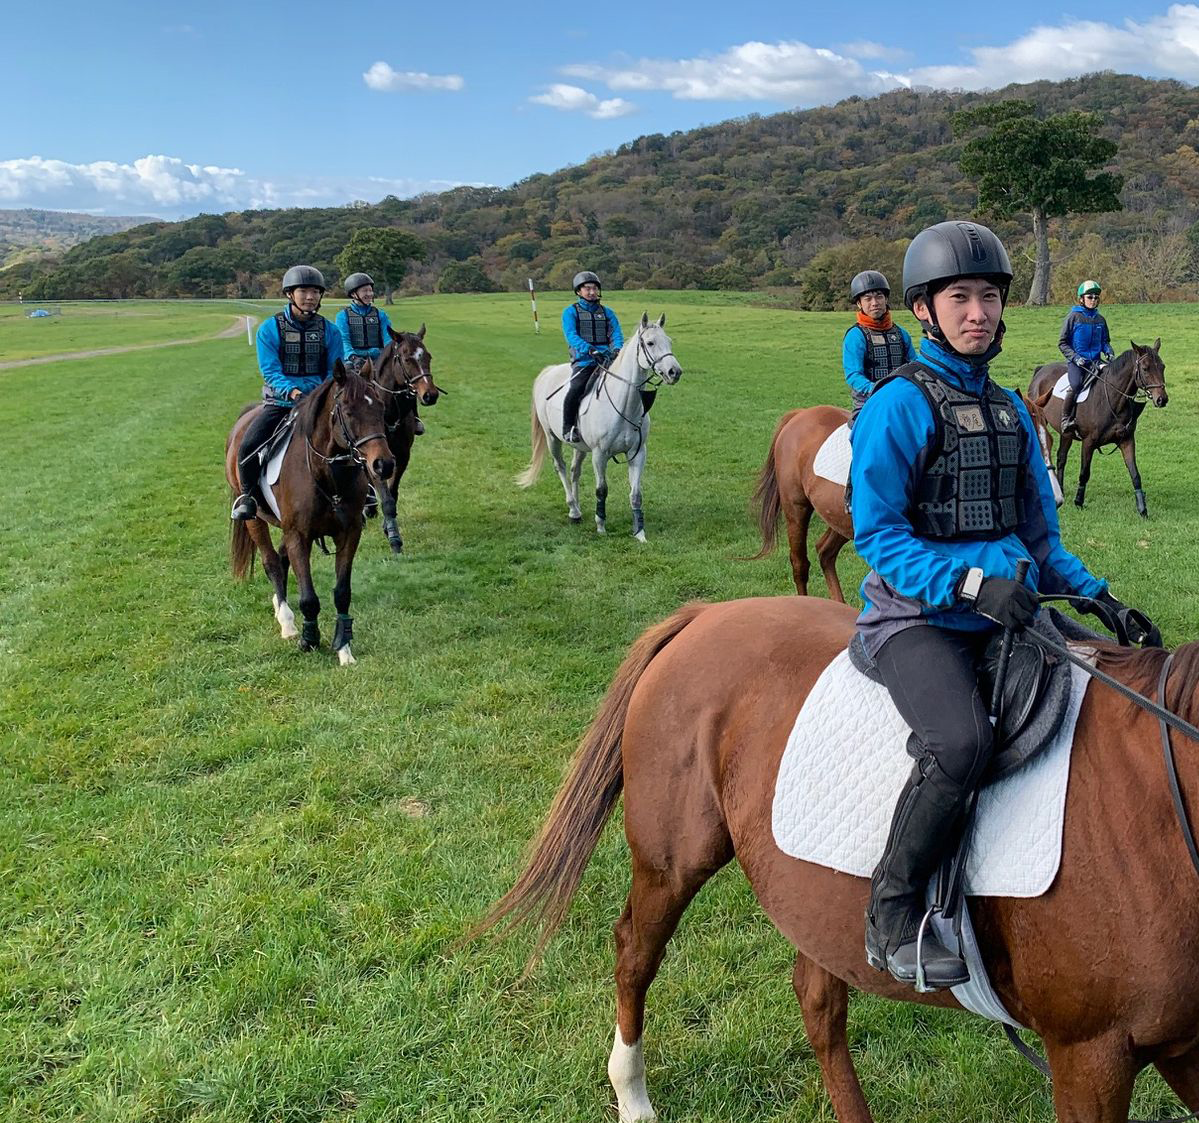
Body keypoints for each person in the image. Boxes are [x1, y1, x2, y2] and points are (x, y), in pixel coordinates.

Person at [849, 221, 1159, 990]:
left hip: (1010, 606)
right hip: (915, 619)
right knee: (958, 741)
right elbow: (877, 534)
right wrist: (968, 585)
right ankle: (890, 913)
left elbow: (1037, 535)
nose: (977, 311)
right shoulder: (899, 405)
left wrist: (1098, 596)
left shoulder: (1013, 411)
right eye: (960, 297)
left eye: (988, 296)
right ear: (924, 309)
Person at [230, 265, 347, 520]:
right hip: (281, 402)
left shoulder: (331, 331)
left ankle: (365, 491)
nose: (310, 297)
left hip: (321, 400)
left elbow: (336, 369)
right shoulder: (270, 329)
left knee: (356, 437)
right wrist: (292, 391)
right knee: (248, 445)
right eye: (303, 291)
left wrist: (321, 393)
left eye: (316, 291)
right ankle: (247, 497)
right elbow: (270, 370)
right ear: (289, 294)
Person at [335, 272, 423, 436]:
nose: (369, 294)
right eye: (364, 291)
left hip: (378, 358)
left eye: (370, 290)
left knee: (405, 380)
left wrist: (382, 355)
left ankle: (414, 417)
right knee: (344, 387)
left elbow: (387, 339)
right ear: (354, 294)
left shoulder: (380, 315)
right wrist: (353, 357)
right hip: (354, 360)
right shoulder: (343, 316)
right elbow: (344, 340)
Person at [843, 270, 916, 425]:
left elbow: (914, 366)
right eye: (868, 299)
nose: (874, 302)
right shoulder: (855, 336)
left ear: (886, 299)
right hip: (868, 402)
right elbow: (853, 375)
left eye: (879, 297)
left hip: (901, 398)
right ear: (859, 303)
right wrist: (877, 390)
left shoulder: (902, 334)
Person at [560, 271, 625, 443]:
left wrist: (617, 349)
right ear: (579, 291)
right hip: (585, 360)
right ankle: (568, 428)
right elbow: (571, 335)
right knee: (576, 389)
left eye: (594, 288)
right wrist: (589, 350)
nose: (591, 292)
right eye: (587, 289)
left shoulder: (608, 313)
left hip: (608, 359)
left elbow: (616, 333)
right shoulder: (570, 312)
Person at [1057, 280, 1114, 434]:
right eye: (1090, 297)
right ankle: (1066, 419)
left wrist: (1108, 351)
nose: (1093, 300)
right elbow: (1062, 343)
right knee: (1075, 385)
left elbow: (1104, 341)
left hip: (1096, 361)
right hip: (1078, 363)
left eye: (1096, 297)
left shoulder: (1100, 320)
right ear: (1081, 299)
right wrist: (1075, 358)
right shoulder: (1073, 317)